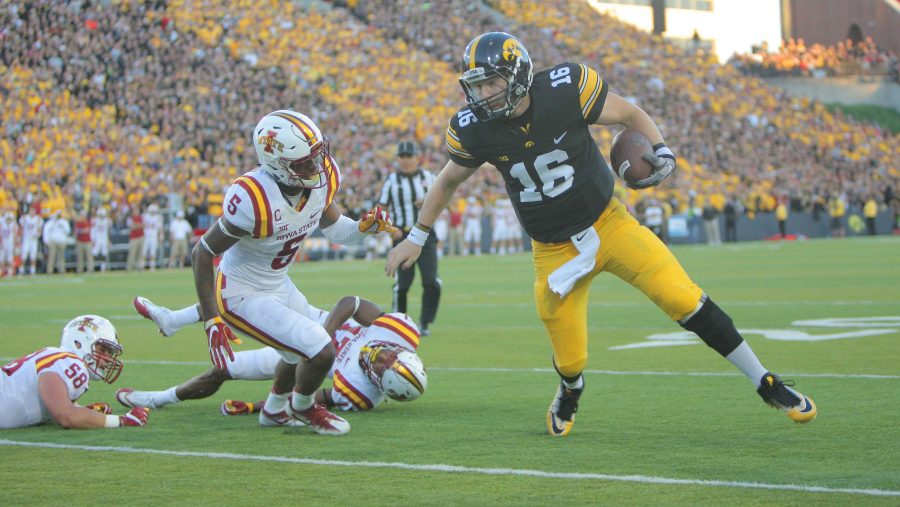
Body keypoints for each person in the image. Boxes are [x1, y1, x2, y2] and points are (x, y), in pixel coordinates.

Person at [386, 32, 817, 436]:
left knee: (681, 296)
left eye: (491, 83)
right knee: (570, 355)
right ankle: (571, 388)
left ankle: (765, 380)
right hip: (553, 252)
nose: (481, 95)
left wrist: (661, 148)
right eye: (476, 86)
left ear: (517, 76)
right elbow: (446, 181)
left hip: (608, 223)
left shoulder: (565, 88)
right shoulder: (473, 127)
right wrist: (417, 236)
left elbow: (629, 114)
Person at [192, 109, 396, 435]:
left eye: (317, 156)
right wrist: (211, 318)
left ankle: (274, 410)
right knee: (318, 346)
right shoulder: (253, 199)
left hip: (278, 282)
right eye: (304, 163)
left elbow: (335, 230)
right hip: (240, 292)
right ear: (276, 163)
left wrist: (362, 229)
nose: (316, 167)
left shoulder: (322, 175)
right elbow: (203, 252)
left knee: (293, 349)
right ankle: (303, 406)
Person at [120, 295, 427, 416]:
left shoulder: (361, 395)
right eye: (389, 356)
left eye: (380, 366)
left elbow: (311, 396)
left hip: (298, 359)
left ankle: (156, 399)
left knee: (223, 369)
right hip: (305, 320)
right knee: (239, 297)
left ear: (379, 384)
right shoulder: (402, 332)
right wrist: (323, 337)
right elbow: (353, 303)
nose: (380, 356)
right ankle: (173, 320)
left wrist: (254, 406)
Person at [0, 315, 149, 429]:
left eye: (110, 353)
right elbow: (65, 416)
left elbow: (53, 403)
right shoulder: (70, 362)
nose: (108, 359)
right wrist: (121, 420)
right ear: (79, 343)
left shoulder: (58, 356)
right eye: (103, 350)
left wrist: (83, 412)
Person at [377, 141, 441, 336]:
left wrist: (428, 202)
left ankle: (424, 323)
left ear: (417, 158)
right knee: (403, 285)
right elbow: (380, 211)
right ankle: (399, 323)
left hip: (426, 236)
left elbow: (444, 200)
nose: (406, 161)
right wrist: (391, 230)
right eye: (402, 157)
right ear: (398, 159)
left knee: (431, 281)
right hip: (402, 236)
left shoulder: (428, 177)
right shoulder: (391, 181)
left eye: (409, 156)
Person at [43, 210, 70, 274]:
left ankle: (62, 270)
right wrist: (46, 241)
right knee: (52, 257)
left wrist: (62, 226)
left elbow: (68, 231)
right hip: (53, 241)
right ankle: (50, 271)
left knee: (61, 257)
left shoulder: (64, 222)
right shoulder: (50, 222)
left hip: (61, 241)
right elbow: (46, 231)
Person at [18, 207, 43, 275]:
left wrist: (38, 233)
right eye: (31, 211)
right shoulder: (25, 218)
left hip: (33, 239)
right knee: (24, 255)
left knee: (33, 255)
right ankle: (21, 270)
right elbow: (21, 227)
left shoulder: (38, 219)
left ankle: (32, 270)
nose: (32, 213)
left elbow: (39, 229)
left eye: (33, 211)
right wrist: (20, 237)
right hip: (26, 239)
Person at [142, 203, 163, 270]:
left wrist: (161, 236)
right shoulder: (146, 216)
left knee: (152, 252)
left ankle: (152, 266)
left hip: (154, 236)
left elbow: (160, 228)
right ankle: (142, 265)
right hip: (146, 236)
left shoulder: (158, 217)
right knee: (144, 251)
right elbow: (143, 224)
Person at [90, 208, 112, 272]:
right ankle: (91, 267)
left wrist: (109, 239)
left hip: (104, 238)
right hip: (97, 238)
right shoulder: (95, 220)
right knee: (94, 253)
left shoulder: (107, 221)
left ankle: (103, 267)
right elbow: (93, 230)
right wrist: (93, 239)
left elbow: (108, 231)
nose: (101, 216)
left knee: (104, 253)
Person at [73, 210, 93, 274]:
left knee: (89, 257)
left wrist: (80, 231)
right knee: (79, 257)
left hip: (87, 241)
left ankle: (90, 270)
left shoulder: (87, 222)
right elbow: (75, 232)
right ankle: (79, 270)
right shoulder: (78, 223)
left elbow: (87, 230)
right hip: (80, 241)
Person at [125, 206, 144, 271]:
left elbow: (144, 225)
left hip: (141, 237)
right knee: (132, 253)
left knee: (140, 253)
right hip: (134, 238)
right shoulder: (130, 218)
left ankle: (139, 266)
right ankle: (129, 267)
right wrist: (139, 225)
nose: (137, 212)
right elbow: (132, 226)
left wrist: (137, 225)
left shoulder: (141, 217)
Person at [0, 212, 17, 277]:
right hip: (3, 243)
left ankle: (10, 272)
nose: (8, 220)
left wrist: (14, 243)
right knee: (1, 258)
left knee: (10, 259)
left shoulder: (13, 225)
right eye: (7, 219)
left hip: (10, 243)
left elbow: (15, 235)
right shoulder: (2, 224)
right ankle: (1, 271)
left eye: (10, 219)